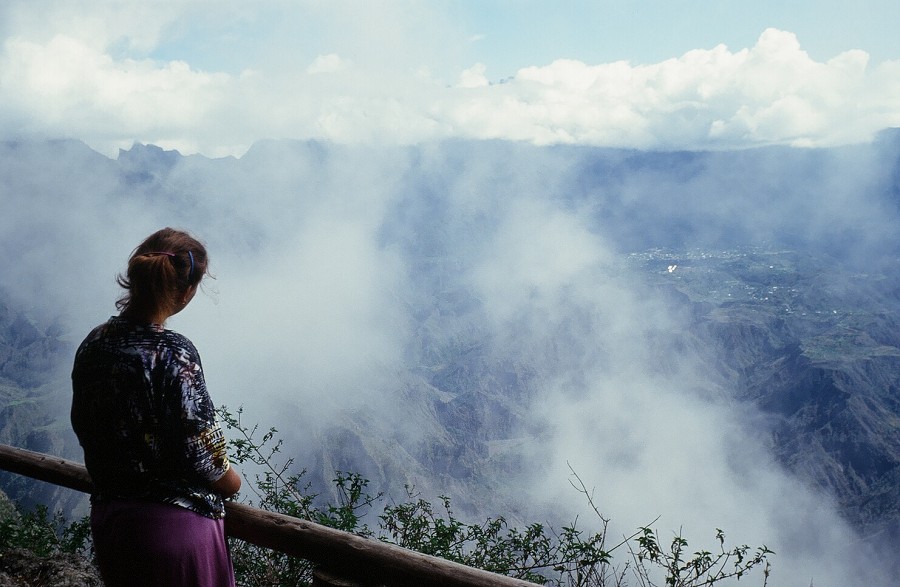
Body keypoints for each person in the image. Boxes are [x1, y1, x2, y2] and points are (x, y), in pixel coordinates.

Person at [71, 227, 241, 587]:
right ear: (186, 291)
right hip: (174, 532)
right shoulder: (174, 353)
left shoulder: (94, 343)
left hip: (112, 522)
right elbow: (201, 450)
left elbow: (84, 425)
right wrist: (232, 480)